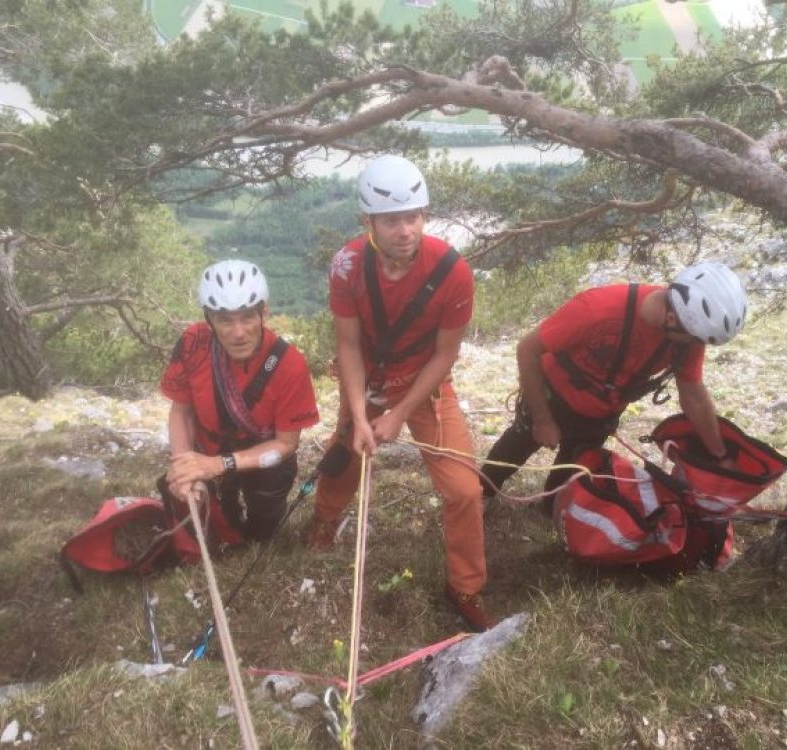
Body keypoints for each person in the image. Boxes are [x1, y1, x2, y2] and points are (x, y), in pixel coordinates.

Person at [304, 154, 495, 632]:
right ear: (369, 221)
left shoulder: (453, 272)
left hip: (425, 385)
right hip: (367, 377)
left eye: (413, 217)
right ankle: (323, 524)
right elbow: (347, 343)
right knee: (345, 455)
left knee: (464, 490)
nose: (405, 230)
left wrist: (399, 413)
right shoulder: (348, 265)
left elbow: (444, 354)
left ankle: (465, 587)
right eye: (391, 220)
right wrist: (359, 413)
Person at [480, 261, 747, 506]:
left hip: (600, 415)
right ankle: (479, 495)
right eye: (694, 338)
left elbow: (693, 394)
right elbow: (528, 349)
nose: (695, 346)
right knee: (512, 450)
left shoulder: (685, 336)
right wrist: (542, 420)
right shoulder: (597, 308)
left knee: (564, 489)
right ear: (671, 318)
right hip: (550, 398)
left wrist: (720, 456)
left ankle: (549, 510)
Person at [161, 259, 320, 544]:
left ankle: (260, 528)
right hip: (207, 448)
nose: (238, 332)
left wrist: (218, 465)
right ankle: (228, 521)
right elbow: (181, 412)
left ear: (264, 312)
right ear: (209, 320)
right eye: (225, 320)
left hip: (264, 456)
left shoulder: (289, 364)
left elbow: (286, 444)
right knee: (219, 527)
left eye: (247, 317)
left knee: (263, 526)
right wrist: (185, 466)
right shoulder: (193, 344)